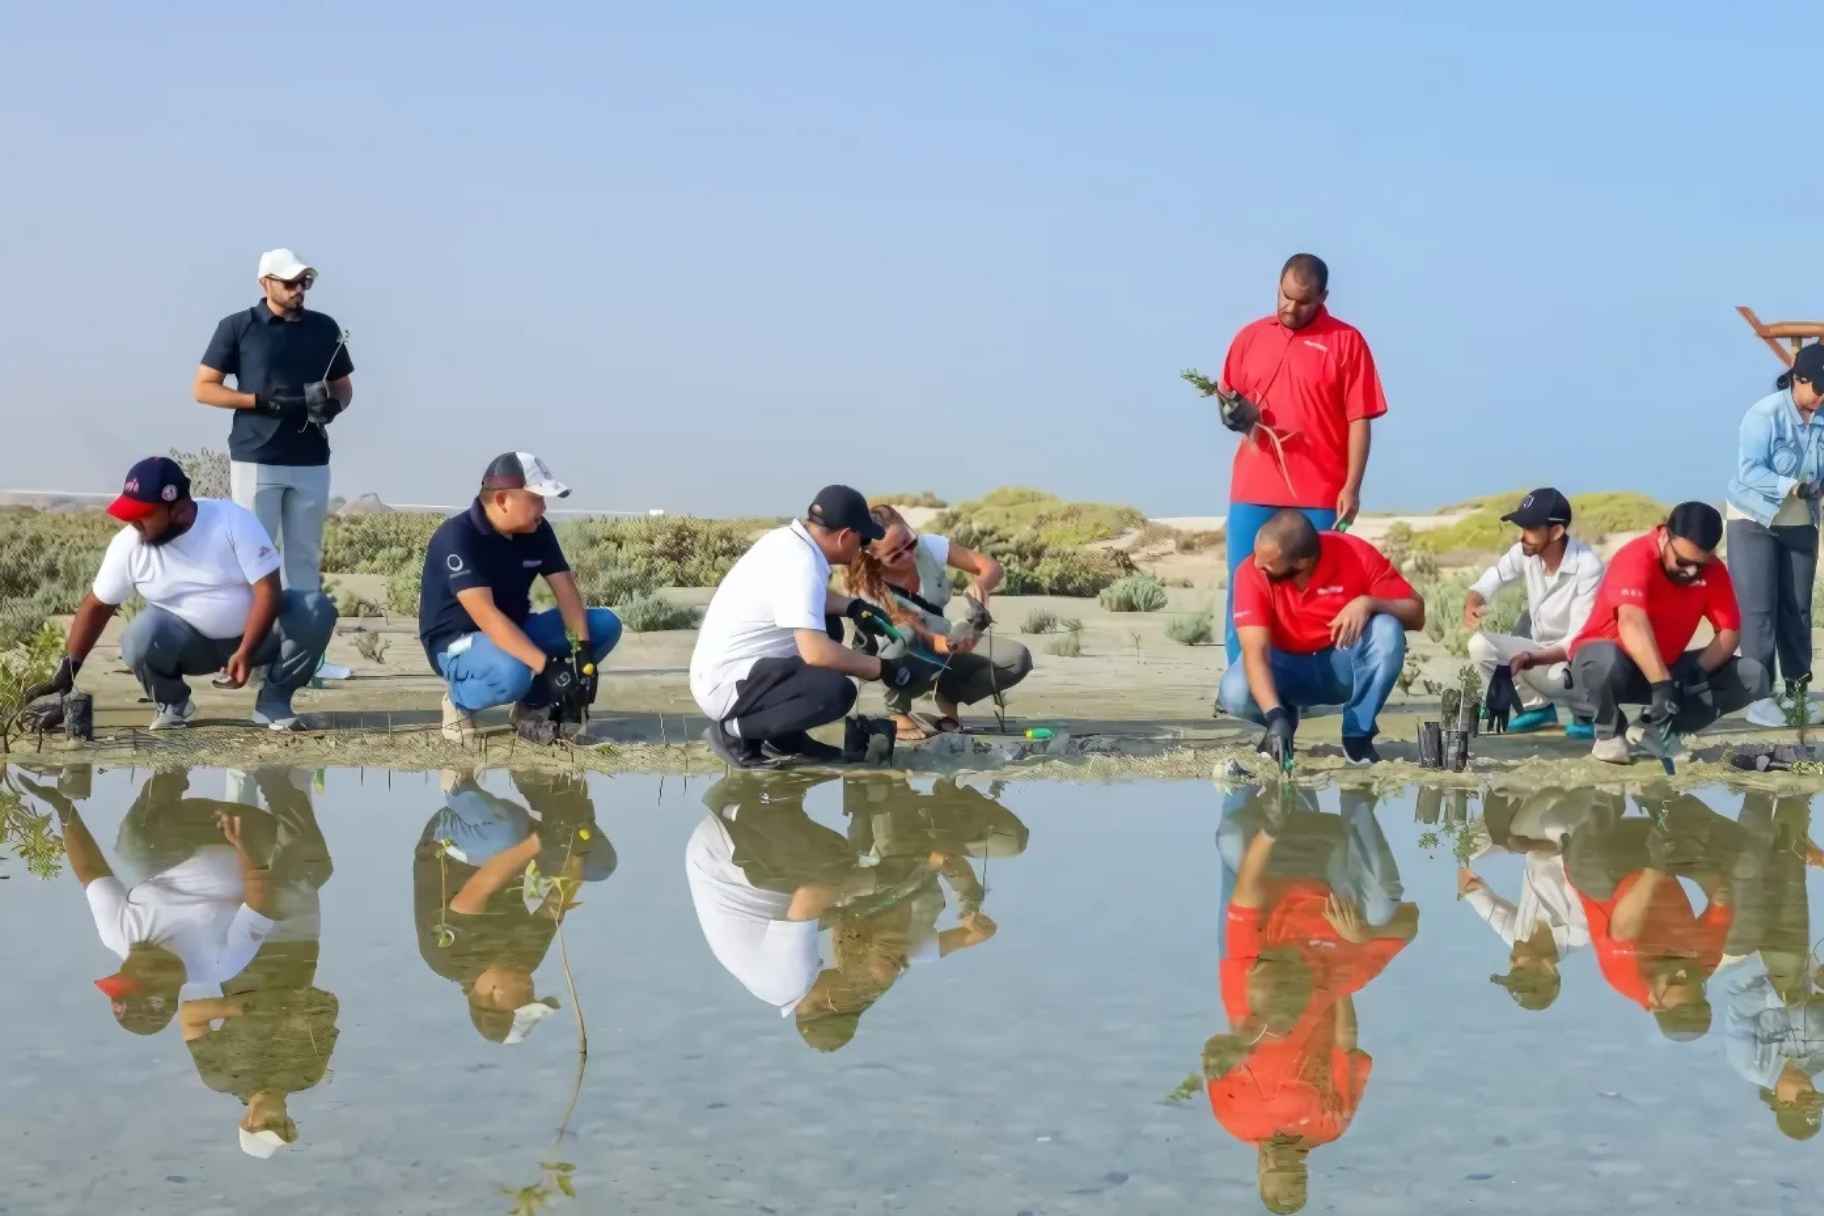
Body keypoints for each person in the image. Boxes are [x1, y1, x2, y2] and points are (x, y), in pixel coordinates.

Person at [1205, 784, 1417, 1214]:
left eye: (1278, 1172)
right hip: (1322, 940)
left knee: (1231, 842)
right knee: (1379, 908)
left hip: (1267, 928)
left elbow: (1218, 1053)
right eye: (1297, 1173)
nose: (1288, 1163)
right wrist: (1349, 959)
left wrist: (1266, 833)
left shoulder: (1233, 1117)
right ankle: (1353, 798)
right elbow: (1346, 1044)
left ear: (1261, 1172)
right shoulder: (1329, 1125)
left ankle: (1240, 782)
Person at [30, 456, 337, 732]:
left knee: (315, 609)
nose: (133, 523)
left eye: (143, 514)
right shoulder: (128, 544)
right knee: (137, 637)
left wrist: (245, 651)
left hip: (256, 638)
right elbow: (97, 605)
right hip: (188, 645)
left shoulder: (231, 520)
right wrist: (69, 670)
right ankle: (173, 705)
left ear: (176, 508)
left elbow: (268, 591)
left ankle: (273, 703)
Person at [1215, 253, 1390, 660]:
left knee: (1311, 590)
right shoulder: (1249, 337)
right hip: (1253, 488)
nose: (1291, 308)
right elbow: (1226, 399)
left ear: (1324, 297)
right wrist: (1233, 416)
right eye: (1285, 297)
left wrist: (1352, 486)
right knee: (1245, 581)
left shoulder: (1347, 341)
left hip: (1320, 490)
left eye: (1304, 301)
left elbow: (1359, 419)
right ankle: (1240, 678)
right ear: (1277, 285)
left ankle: (1308, 680)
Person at [689, 485, 921, 768]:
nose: (862, 551)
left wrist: (854, 608)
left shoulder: (787, 542)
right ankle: (733, 734)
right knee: (835, 693)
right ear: (845, 536)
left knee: (830, 625)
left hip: (729, 672)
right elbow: (817, 655)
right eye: (861, 543)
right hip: (728, 686)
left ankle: (784, 737)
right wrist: (883, 669)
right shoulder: (802, 564)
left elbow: (807, 600)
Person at [43, 770, 279, 1036]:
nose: (124, 964)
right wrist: (245, 846)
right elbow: (262, 901)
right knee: (138, 848)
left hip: (185, 837)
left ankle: (171, 761)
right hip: (248, 841)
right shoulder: (220, 963)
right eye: (130, 974)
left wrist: (64, 809)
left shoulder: (115, 935)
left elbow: (90, 870)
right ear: (159, 983)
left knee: (134, 850)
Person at [178, 769, 337, 1159]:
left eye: (270, 1127)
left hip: (240, 960)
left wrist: (242, 1008)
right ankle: (280, 779)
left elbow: (190, 1018)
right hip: (299, 952)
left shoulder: (219, 1077)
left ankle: (267, 777)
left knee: (257, 868)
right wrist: (299, 1008)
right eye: (285, 1127)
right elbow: (330, 1007)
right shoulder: (308, 1075)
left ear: (247, 1122)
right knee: (309, 868)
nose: (280, 1121)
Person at [419, 452, 623, 743]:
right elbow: (487, 617)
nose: (543, 508)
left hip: (515, 629)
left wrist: (584, 652)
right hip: (457, 643)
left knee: (604, 625)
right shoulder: (457, 537)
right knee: (512, 672)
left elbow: (565, 589)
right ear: (502, 500)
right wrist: (549, 668)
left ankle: (529, 706)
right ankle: (458, 701)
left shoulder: (538, 530)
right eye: (537, 499)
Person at [193, 248, 354, 596]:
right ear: (266, 282)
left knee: (305, 559)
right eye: (291, 282)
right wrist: (260, 402)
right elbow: (204, 388)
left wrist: (333, 407)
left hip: (311, 458)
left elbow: (343, 387)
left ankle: (305, 649)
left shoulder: (324, 328)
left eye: (305, 282)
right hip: (256, 457)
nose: (299, 289)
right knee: (252, 557)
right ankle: (251, 646)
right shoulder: (238, 327)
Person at [413, 769, 612, 1045]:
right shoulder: (525, 962)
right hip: (513, 853)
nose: (532, 990)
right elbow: (552, 908)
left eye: (524, 998)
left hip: (455, 843)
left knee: (506, 834)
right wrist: (573, 855)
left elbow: (480, 887)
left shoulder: (449, 958)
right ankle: (544, 788)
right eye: (533, 997)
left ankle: (457, 787)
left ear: (494, 996)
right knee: (600, 864)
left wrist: (539, 842)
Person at [1568, 502, 1769, 765]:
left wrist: (1695, 673)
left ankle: (1656, 728)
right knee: (1602, 660)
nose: (1691, 572)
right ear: (1665, 537)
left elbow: (1729, 632)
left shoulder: (1713, 571)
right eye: (1683, 561)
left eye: (1700, 564)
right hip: (1608, 668)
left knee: (1752, 675)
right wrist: (1662, 685)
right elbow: (1632, 622)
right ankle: (1610, 732)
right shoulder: (1635, 557)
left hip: (1666, 669)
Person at [1218, 510, 1424, 765]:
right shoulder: (1251, 571)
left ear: (1302, 563)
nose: (1258, 565)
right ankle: (1283, 722)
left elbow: (1416, 614)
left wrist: (1368, 603)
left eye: (1269, 563)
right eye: (1257, 555)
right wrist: (1275, 716)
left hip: (1340, 668)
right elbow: (1254, 652)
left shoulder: (1355, 553)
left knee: (1386, 629)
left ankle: (1357, 736)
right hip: (1284, 669)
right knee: (1234, 691)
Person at [840, 505, 1033, 740]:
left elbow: (991, 567)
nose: (909, 555)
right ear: (873, 555)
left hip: (942, 636)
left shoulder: (930, 546)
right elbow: (921, 635)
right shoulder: (866, 586)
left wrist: (981, 586)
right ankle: (897, 711)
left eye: (910, 544)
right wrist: (955, 643)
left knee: (1016, 658)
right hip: (898, 652)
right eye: (895, 555)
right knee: (905, 636)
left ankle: (948, 694)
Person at [1562, 795, 1743, 1041]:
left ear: (1656, 1003)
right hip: (1655, 853)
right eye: (1692, 981)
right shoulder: (1701, 966)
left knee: (1597, 878)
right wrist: (1705, 869)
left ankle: (1602, 797)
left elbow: (1623, 928)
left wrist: (1654, 869)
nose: (1682, 972)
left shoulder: (1626, 978)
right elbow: (1721, 902)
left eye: (1675, 981)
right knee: (1736, 849)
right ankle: (1659, 799)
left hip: (1602, 859)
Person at [1725, 342, 1824, 728]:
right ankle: (1760, 698)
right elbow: (1750, 472)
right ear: (1797, 379)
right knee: (1759, 611)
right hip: (1754, 520)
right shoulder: (1763, 415)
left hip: (1801, 523)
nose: (1821, 396)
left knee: (1797, 609)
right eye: (1817, 387)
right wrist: (1793, 486)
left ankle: (1798, 694)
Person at [1461, 488, 1605, 737]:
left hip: (1574, 657)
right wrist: (1474, 600)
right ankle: (1535, 710)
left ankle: (1587, 715)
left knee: (1569, 670)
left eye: (1530, 529)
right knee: (1480, 645)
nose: (1522, 536)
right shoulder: (1525, 552)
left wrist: (1532, 658)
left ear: (1557, 531)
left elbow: (1580, 637)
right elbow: (1496, 575)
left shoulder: (1588, 566)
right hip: (1538, 650)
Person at [1456, 789, 1608, 1013]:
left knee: (1466, 845)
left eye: (1511, 971)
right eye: (1520, 970)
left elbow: (1471, 890)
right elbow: (1580, 855)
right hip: (1577, 835)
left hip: (1533, 838)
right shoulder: (1580, 930)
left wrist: (1461, 859)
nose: (1512, 963)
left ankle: (1514, 790)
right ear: (1549, 970)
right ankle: (1545, 788)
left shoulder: (1518, 941)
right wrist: (1529, 846)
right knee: (1549, 824)